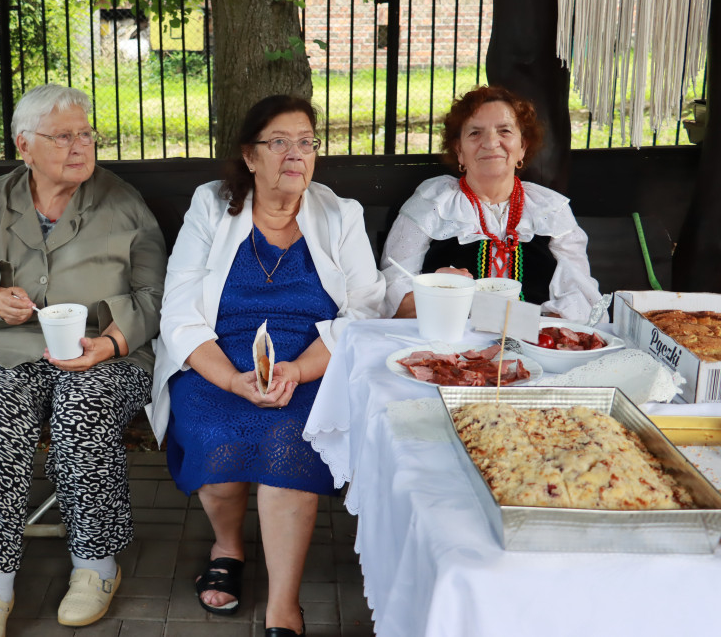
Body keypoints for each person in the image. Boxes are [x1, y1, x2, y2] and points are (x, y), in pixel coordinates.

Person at [0, 84, 166, 636]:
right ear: (25, 145)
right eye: (63, 136)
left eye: (86, 134)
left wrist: (109, 343)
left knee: (83, 415)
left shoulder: (123, 201)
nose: (80, 145)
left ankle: (94, 566)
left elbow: (157, 296)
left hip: (106, 350)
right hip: (0, 348)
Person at [151, 95, 386, 637]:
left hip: (311, 361)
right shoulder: (211, 206)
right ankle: (229, 545)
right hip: (218, 359)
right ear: (249, 157)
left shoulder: (339, 214)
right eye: (279, 142)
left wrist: (301, 370)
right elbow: (181, 312)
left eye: (305, 142)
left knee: (290, 438)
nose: (295, 154)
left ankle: (283, 602)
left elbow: (364, 311)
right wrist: (232, 377)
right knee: (216, 431)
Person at [381, 85, 601, 321]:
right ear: (459, 150)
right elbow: (390, 300)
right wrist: (436, 289)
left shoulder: (551, 210)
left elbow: (582, 299)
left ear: (522, 147)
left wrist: (537, 333)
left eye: (504, 131)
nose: (490, 142)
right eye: (475, 133)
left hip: (536, 344)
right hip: (448, 344)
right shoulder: (432, 204)